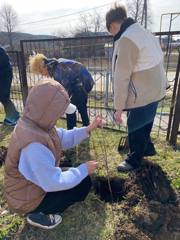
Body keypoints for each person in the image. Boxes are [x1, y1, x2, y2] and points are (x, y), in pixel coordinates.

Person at [4, 79, 102, 229]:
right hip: (26, 198)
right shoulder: (33, 146)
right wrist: (83, 170)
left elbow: (63, 138)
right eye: (59, 112)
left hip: (31, 184)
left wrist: (88, 129)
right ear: (47, 111)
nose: (61, 115)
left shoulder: (36, 124)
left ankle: (40, 207)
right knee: (82, 184)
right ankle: (38, 213)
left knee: (74, 173)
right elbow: (53, 183)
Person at [105, 4, 167, 172]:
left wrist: (118, 108)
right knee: (146, 122)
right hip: (155, 89)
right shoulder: (143, 31)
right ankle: (147, 148)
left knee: (135, 125)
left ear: (112, 25)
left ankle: (134, 160)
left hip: (143, 93)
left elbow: (121, 76)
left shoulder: (126, 39)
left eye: (110, 31)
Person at [29, 53, 95, 130]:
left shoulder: (57, 70)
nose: (42, 75)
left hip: (82, 83)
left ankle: (71, 130)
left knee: (69, 107)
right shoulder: (56, 65)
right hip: (85, 81)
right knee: (81, 105)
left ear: (43, 67)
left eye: (40, 72)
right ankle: (86, 128)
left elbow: (64, 91)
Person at [0, 46, 19, 126]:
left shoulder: (1, 51)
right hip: (4, 74)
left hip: (4, 76)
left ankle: (13, 119)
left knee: (3, 97)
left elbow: (3, 63)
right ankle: (12, 118)